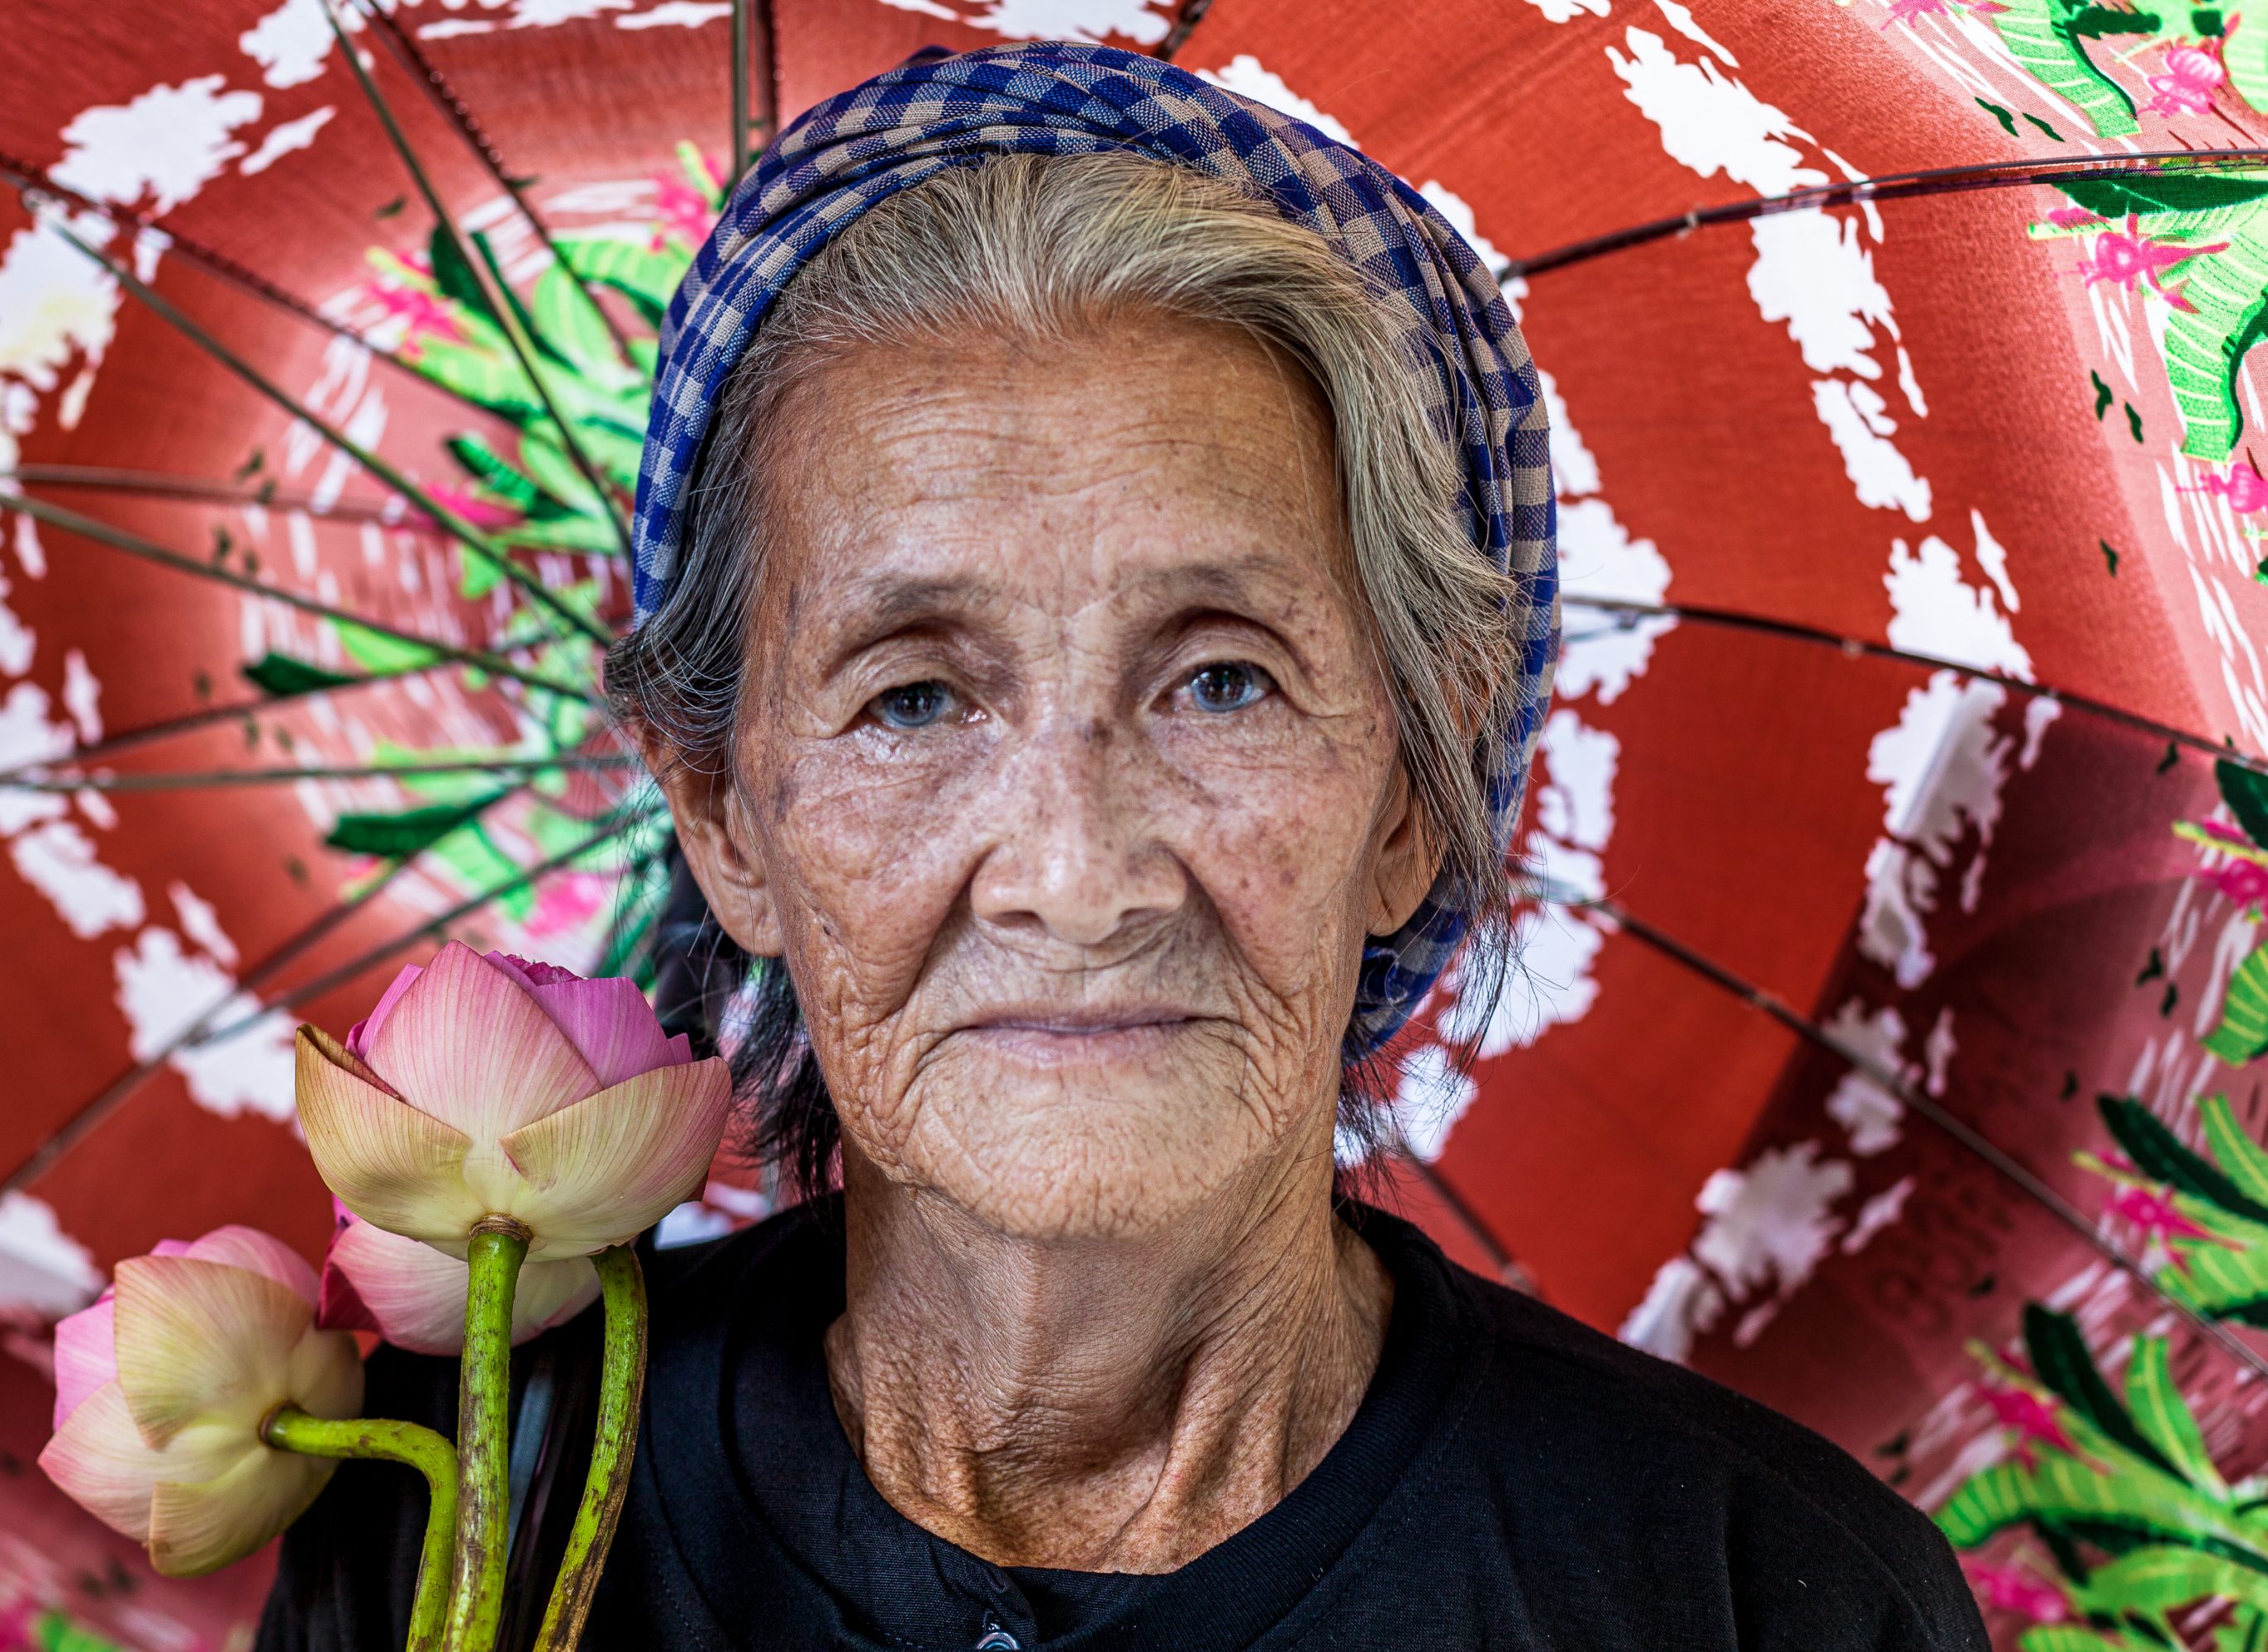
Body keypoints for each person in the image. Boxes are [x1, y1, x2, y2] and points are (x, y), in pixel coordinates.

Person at [260, 40, 1989, 1652]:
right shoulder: (470, 1504)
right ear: (720, 812)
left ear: (1413, 787)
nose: (1077, 876)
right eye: (915, 699)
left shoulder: (1757, 1592)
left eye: (1222, 680)